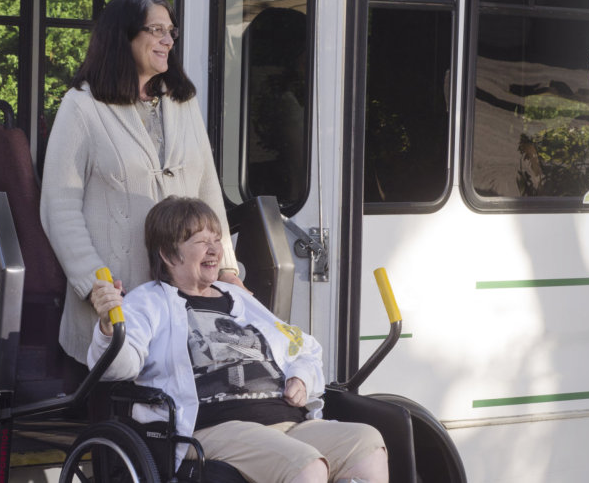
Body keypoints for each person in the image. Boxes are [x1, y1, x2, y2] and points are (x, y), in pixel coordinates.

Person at [88, 196, 388, 483]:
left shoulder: (238, 297)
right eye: (201, 241)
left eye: (217, 240)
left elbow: (302, 347)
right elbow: (118, 368)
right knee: (307, 466)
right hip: (214, 427)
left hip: (286, 424)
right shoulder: (147, 301)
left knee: (366, 442)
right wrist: (108, 326)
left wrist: (302, 378)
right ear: (168, 254)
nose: (214, 250)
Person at [42, 0, 246, 365]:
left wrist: (227, 269)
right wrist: (94, 285)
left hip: (186, 301)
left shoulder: (183, 102)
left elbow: (208, 192)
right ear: (124, 36)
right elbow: (59, 208)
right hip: (117, 305)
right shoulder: (81, 106)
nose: (168, 40)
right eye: (156, 30)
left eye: (171, 31)